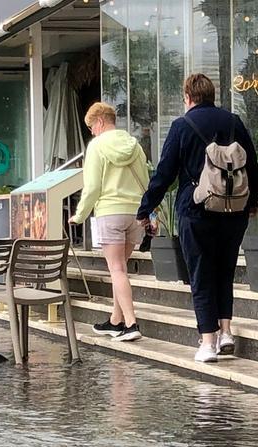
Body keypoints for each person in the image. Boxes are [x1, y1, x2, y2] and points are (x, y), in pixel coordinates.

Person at [137, 74, 258, 363]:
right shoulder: (233, 122)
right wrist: (251, 202)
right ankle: (226, 331)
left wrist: (146, 208)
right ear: (212, 94)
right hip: (234, 211)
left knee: (201, 274)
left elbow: (165, 173)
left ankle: (208, 342)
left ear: (188, 97)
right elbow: (251, 165)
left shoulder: (182, 126)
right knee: (224, 270)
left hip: (196, 211)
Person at [70, 101, 150, 342]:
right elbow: (146, 180)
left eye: (91, 127)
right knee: (121, 270)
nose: (91, 132)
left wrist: (80, 214)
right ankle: (116, 320)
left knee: (116, 270)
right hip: (135, 212)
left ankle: (131, 323)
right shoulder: (134, 145)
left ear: (101, 122)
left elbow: (93, 186)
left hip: (110, 211)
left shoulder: (96, 146)